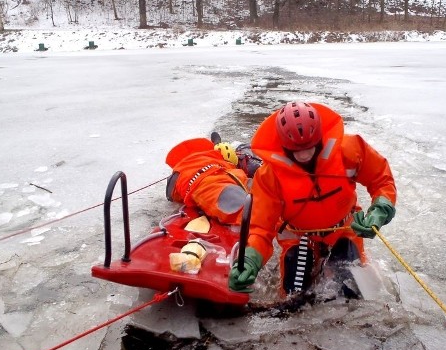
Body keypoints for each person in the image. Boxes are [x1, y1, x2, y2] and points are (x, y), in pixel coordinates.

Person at [228, 101, 397, 295]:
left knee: (350, 291)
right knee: (294, 295)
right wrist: (250, 259)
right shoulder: (269, 176)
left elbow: (381, 179)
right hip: (298, 236)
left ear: (319, 139)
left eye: (309, 148)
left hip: (343, 230)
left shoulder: (349, 150)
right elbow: (260, 228)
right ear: (284, 147)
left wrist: (379, 211)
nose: (304, 156)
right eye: (297, 151)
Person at [165, 136, 260, 225]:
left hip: (210, 176)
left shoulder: (188, 172)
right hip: (211, 181)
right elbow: (234, 202)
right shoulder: (214, 177)